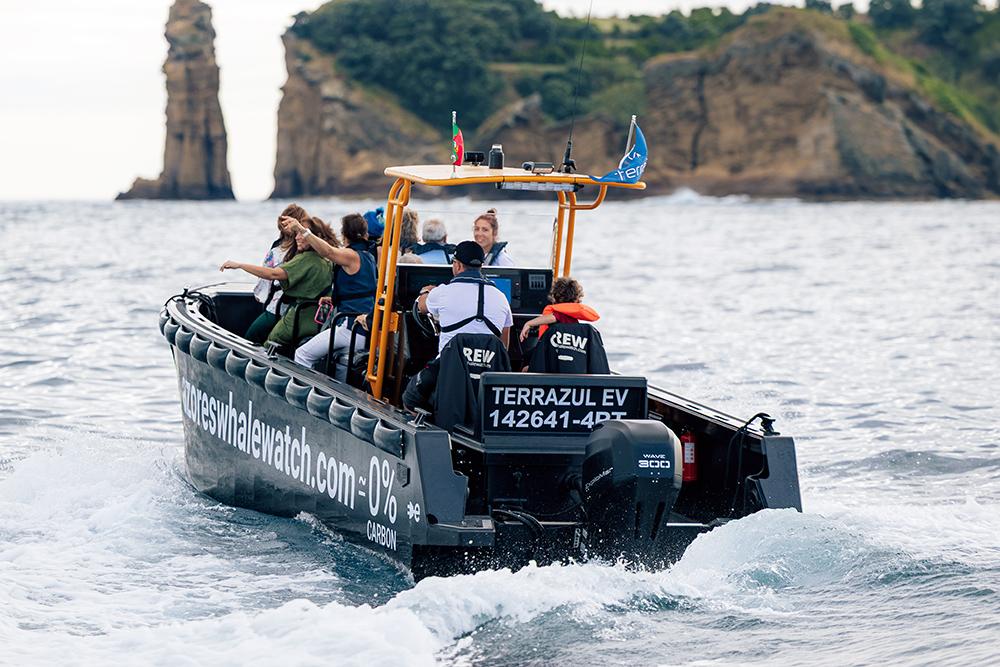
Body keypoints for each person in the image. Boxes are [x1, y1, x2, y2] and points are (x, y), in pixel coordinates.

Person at [402, 241, 513, 411]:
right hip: (488, 373)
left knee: (409, 398)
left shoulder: (443, 292)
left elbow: (421, 307)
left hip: (448, 369)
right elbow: (503, 346)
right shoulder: (501, 298)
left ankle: (428, 429)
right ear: (480, 266)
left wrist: (426, 291)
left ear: (458, 264)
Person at [284, 213, 378, 382]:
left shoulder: (351, 256)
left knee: (302, 355)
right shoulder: (369, 258)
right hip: (363, 331)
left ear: (343, 236)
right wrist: (335, 299)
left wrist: (300, 229)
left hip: (350, 329)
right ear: (366, 235)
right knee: (341, 375)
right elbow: (359, 290)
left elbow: (326, 251)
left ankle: (304, 399)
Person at [220, 216, 335, 346]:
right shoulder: (328, 259)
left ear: (315, 235)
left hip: (299, 320)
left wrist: (240, 265)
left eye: (302, 233)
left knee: (264, 342)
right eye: (296, 233)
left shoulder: (306, 259)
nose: (297, 237)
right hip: (318, 322)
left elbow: (273, 273)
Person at [253, 203, 310, 317]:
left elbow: (261, 291)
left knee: (253, 333)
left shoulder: (276, 251)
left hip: (279, 308)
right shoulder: (312, 249)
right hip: (307, 309)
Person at [519, 277, 600, 342]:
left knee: (526, 357)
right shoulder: (573, 316)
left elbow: (551, 318)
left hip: (555, 353)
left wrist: (529, 324)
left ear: (554, 299)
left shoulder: (560, 314)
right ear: (577, 298)